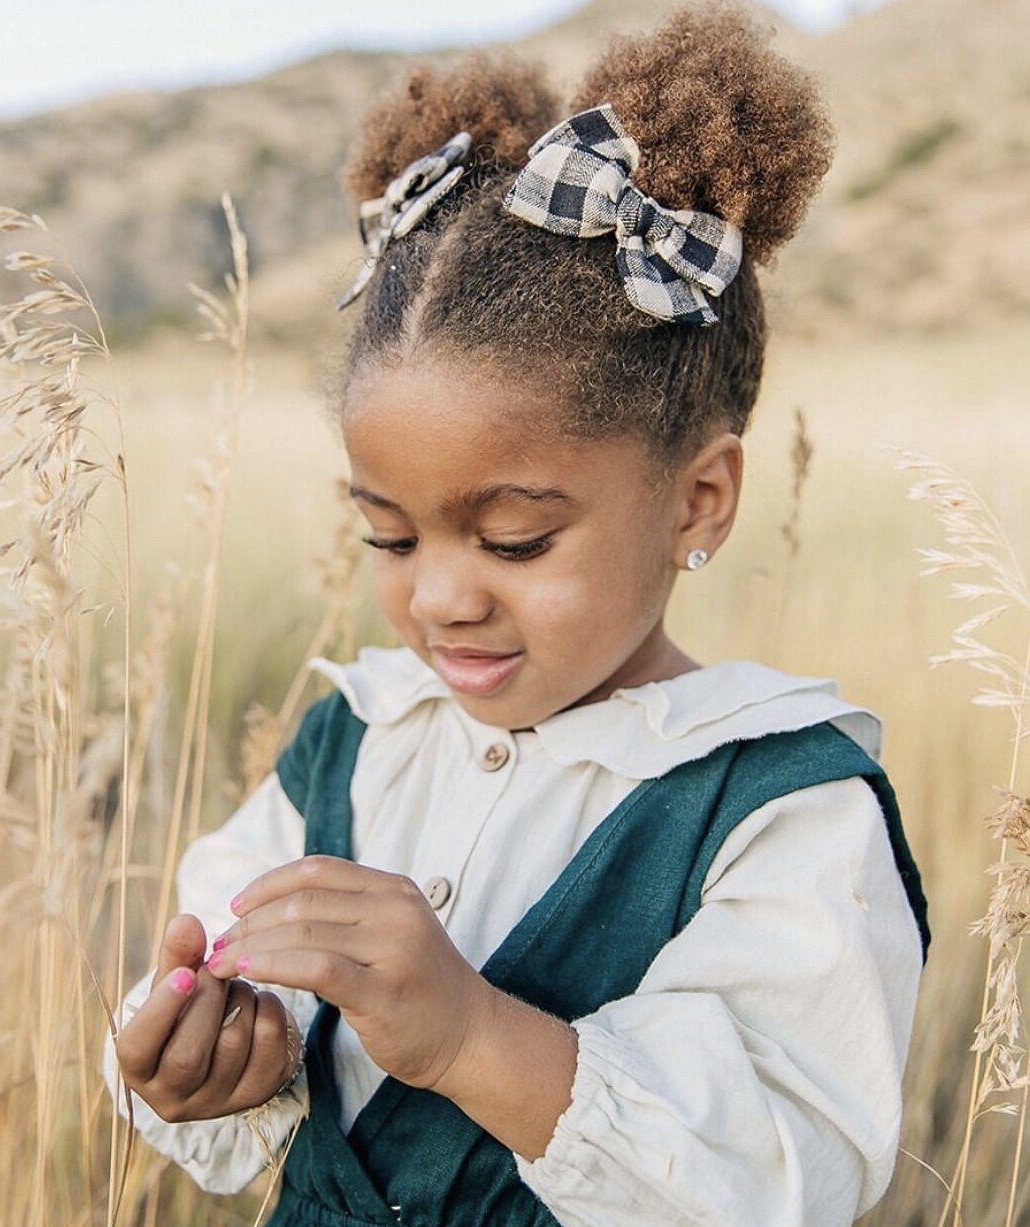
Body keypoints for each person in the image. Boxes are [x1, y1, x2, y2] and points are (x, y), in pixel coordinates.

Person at [106, 6, 929, 1224]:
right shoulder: (358, 743)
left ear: (699, 500)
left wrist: (466, 1035)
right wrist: (229, 1053)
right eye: (388, 534)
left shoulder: (778, 810)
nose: (437, 597)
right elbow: (221, 968)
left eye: (515, 540)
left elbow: (777, 1173)